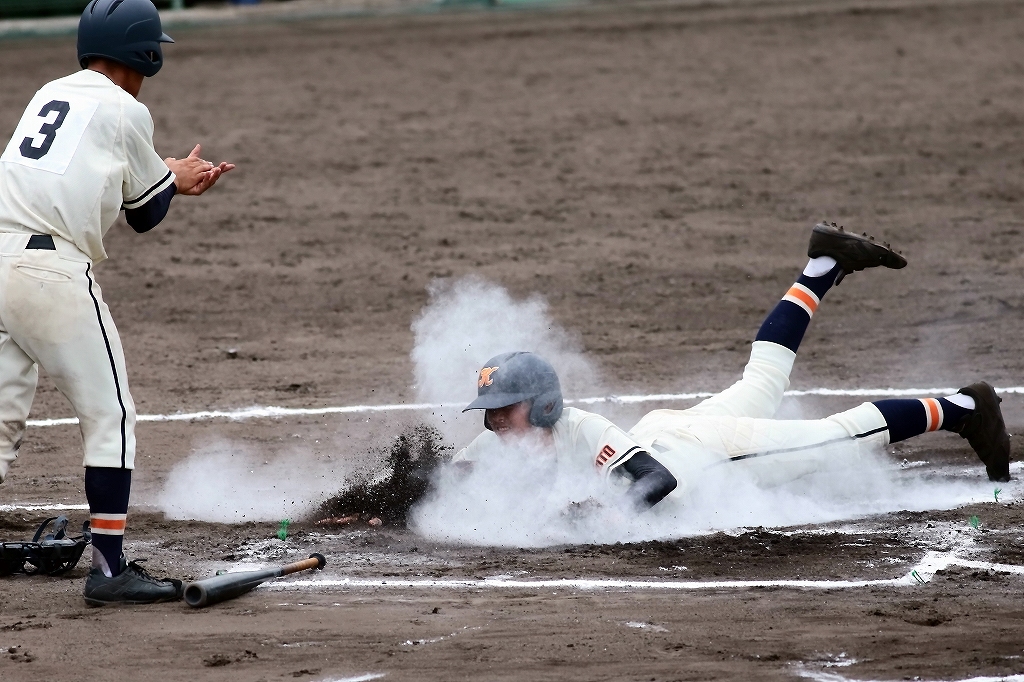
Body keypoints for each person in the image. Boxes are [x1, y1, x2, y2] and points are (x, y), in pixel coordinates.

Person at [453, 223, 1011, 513]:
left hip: (708, 456)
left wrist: (587, 515)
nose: (494, 423)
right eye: (490, 415)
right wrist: (375, 506)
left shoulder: (580, 431)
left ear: (543, 405)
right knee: (762, 382)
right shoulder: (498, 448)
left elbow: (657, 481)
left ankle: (966, 408)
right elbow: (441, 483)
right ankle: (823, 264)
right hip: (669, 431)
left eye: (504, 411)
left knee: (835, 438)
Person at [0, 0, 233, 604]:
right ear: (144, 54)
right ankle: (108, 570)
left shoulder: (50, 91)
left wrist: (164, 173)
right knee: (113, 418)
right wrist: (176, 178)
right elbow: (145, 213)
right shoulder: (128, 109)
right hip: (47, 271)